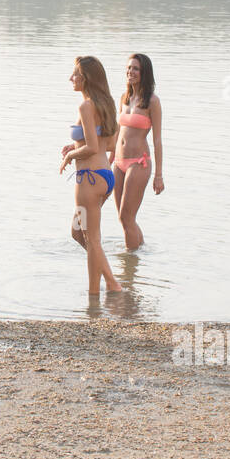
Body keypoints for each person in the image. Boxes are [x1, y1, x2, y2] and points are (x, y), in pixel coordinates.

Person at [59, 56, 122, 294]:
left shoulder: (85, 106)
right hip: (105, 176)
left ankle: (95, 297)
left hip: (88, 179)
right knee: (78, 232)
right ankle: (111, 282)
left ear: (86, 79)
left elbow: (94, 147)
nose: (71, 78)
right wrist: (74, 147)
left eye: (75, 74)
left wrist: (69, 157)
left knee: (92, 238)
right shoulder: (106, 102)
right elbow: (110, 145)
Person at [112, 53, 165, 249]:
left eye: (135, 69)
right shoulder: (124, 98)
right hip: (119, 163)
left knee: (127, 217)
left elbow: (157, 140)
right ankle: (139, 254)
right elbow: (117, 133)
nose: (130, 72)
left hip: (138, 163)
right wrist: (107, 157)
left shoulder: (152, 101)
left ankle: (129, 268)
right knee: (123, 219)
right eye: (128, 68)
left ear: (144, 73)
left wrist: (158, 175)